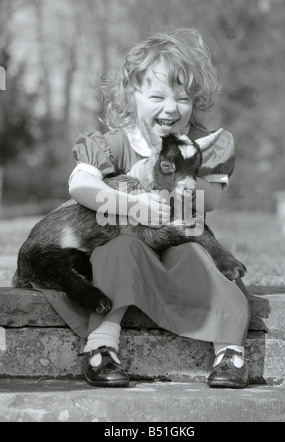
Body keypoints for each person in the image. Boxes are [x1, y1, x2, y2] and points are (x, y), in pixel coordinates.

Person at [45, 28, 251, 388]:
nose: (171, 107)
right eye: (157, 95)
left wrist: (181, 179)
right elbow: (80, 185)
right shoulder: (116, 143)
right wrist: (132, 204)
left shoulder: (199, 146)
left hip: (178, 240)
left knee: (202, 255)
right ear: (131, 97)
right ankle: (101, 346)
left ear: (195, 101)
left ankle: (229, 350)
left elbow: (211, 201)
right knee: (117, 251)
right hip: (130, 240)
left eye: (183, 98)